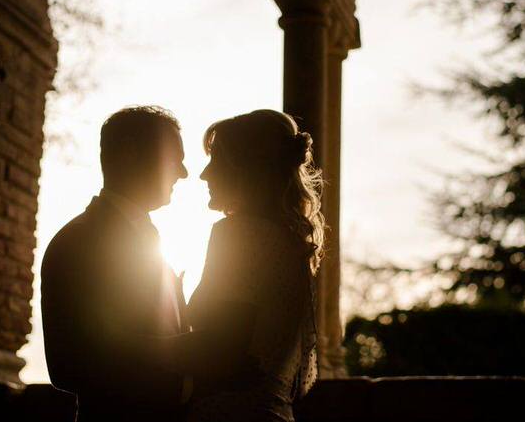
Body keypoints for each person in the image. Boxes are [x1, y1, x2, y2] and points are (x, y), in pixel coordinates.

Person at [40, 106, 191, 422]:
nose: (183, 172)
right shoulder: (76, 242)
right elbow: (67, 366)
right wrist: (180, 351)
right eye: (174, 158)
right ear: (129, 154)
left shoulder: (156, 243)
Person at [185, 109, 323, 422]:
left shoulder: (238, 233)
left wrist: (132, 348)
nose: (204, 174)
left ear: (246, 169)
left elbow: (221, 348)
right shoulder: (291, 245)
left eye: (216, 159)